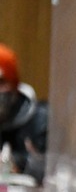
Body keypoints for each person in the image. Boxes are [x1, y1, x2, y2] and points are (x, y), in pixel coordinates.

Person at [0, 42, 48, 180]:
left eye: (1, 82)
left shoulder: (41, 119)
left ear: (14, 85)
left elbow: (62, 166)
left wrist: (18, 162)